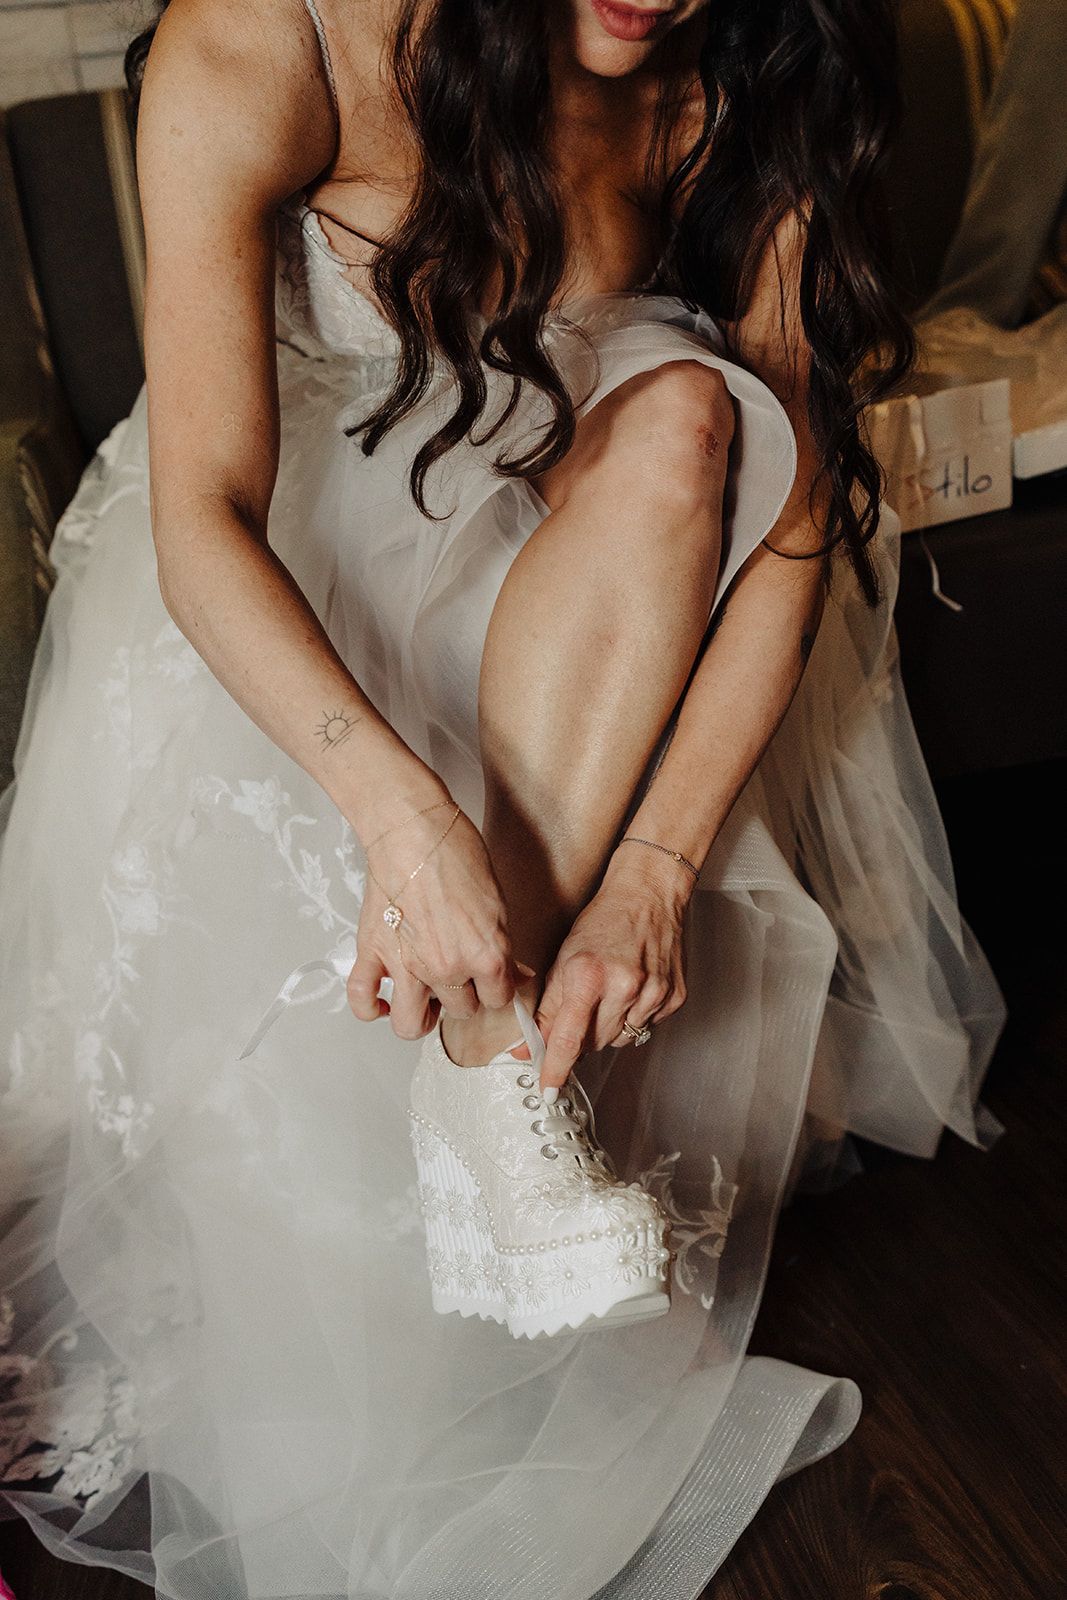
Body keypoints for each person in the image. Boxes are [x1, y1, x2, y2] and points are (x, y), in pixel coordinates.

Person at [0, 0, 1004, 1594]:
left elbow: (796, 521)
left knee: (695, 412)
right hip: (294, 598)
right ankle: (481, 1096)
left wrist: (655, 870)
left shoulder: (750, 70)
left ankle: (488, 1075)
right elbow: (207, 514)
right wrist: (404, 822)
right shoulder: (271, 38)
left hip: (598, 585)